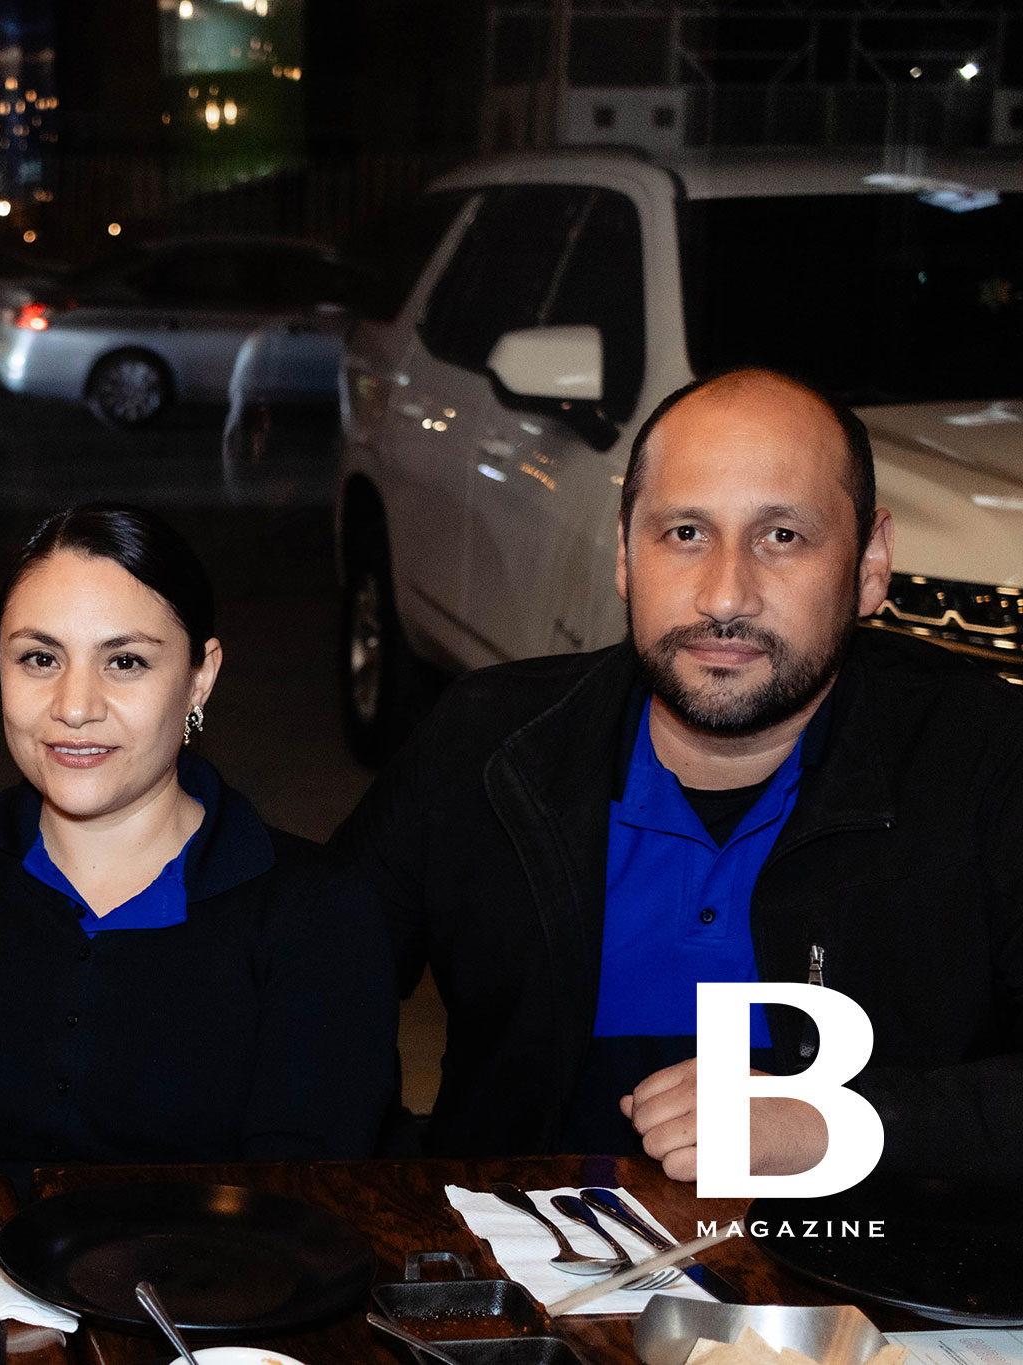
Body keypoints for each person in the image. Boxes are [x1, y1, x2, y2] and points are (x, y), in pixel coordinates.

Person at [333, 368, 1023, 1181]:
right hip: (522, 1254)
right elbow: (299, 982)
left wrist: (839, 1123)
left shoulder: (985, 757)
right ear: (627, 554)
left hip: (862, 1264)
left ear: (871, 564)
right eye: (686, 532)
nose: (725, 596)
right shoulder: (488, 746)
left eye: (782, 536)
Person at [0, 503, 396, 1181]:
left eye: (124, 661)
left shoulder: (317, 917)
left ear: (200, 677)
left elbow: (299, 1199)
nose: (74, 706)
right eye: (40, 658)